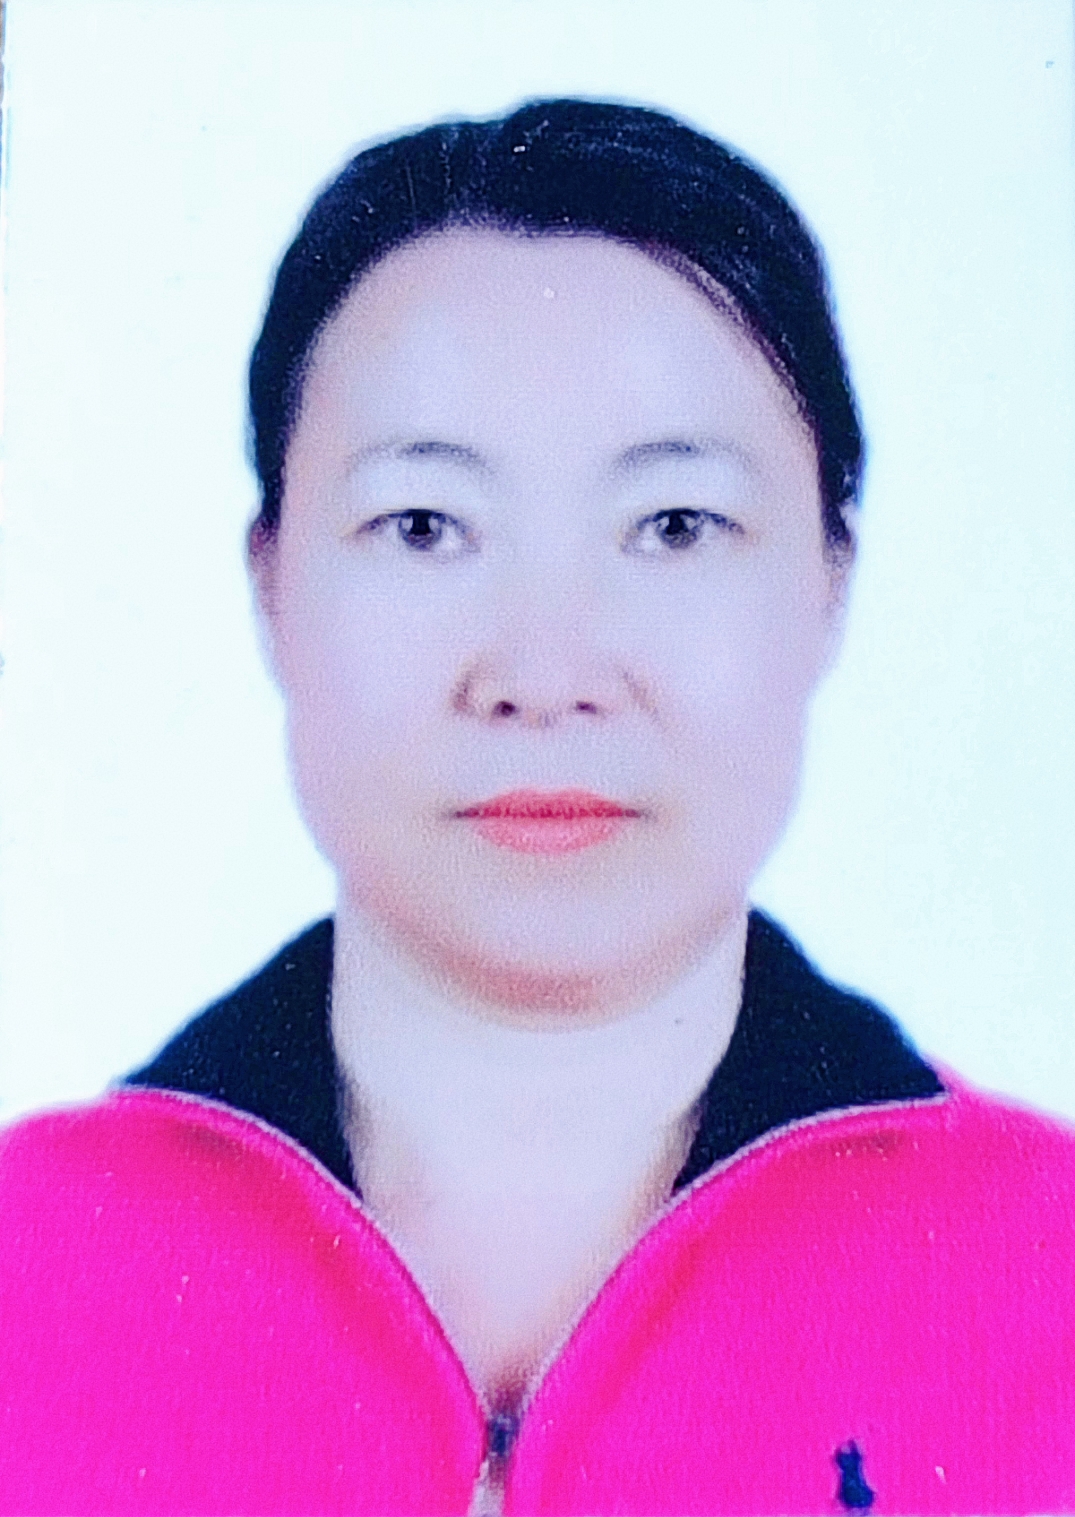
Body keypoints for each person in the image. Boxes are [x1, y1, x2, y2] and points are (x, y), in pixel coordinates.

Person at [1, 98, 1072, 1517]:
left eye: (674, 526)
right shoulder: (26, 1262)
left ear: (830, 579)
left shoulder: (1047, 1273)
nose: (546, 676)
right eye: (424, 526)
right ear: (269, 583)